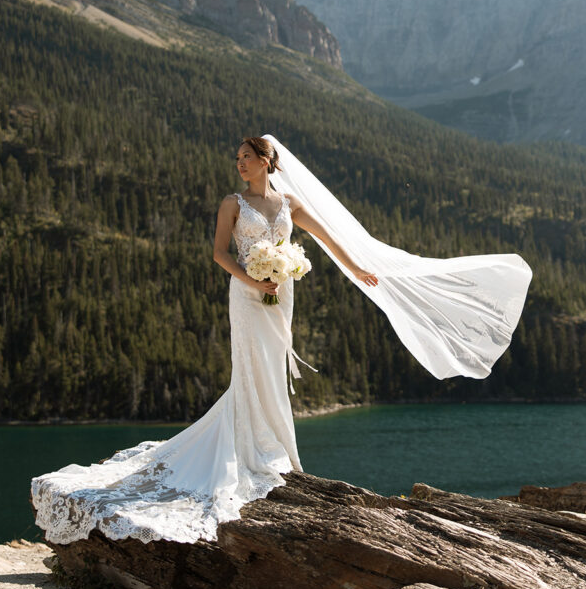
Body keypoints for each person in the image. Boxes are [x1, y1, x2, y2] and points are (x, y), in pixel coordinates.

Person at [31, 133, 531, 546]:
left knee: (273, 365)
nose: (240, 165)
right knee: (251, 367)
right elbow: (220, 254)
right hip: (248, 296)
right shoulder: (232, 203)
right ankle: (259, 454)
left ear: (268, 161)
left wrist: (358, 268)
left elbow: (328, 238)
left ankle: (275, 451)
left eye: (247, 159)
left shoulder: (289, 202)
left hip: (282, 294)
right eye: (237, 160)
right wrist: (256, 281)